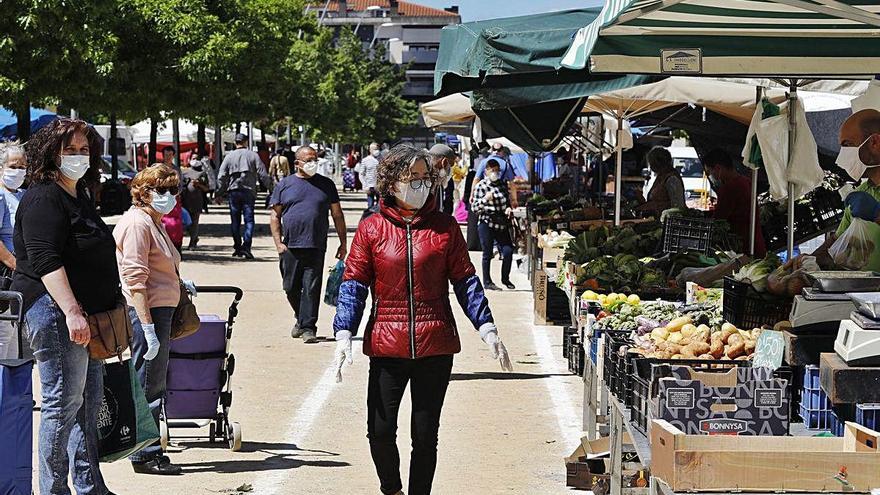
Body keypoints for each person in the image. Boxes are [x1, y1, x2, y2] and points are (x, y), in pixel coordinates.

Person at [333, 144, 513, 495]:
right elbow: (353, 282)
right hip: (387, 343)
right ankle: (392, 489)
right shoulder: (371, 229)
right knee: (380, 430)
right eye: (411, 176)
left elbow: (465, 280)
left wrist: (487, 327)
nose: (420, 183)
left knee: (425, 434)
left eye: (424, 177)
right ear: (391, 180)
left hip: (436, 343)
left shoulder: (445, 228)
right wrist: (343, 331)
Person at [13, 118, 120, 495]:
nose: (78, 157)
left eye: (83, 150)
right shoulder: (44, 196)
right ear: (51, 153)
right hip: (56, 312)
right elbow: (45, 260)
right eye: (69, 150)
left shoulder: (79, 194)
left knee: (87, 405)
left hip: (86, 315)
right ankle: (53, 490)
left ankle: (90, 487)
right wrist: (73, 311)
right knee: (62, 405)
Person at [113, 164, 185, 475]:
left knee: (153, 381)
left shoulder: (153, 222)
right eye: (162, 190)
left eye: (173, 190)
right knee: (148, 383)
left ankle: (149, 449)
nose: (169, 196)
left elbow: (157, 268)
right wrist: (147, 326)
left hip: (159, 309)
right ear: (143, 192)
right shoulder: (138, 224)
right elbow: (135, 279)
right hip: (149, 312)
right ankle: (145, 453)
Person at [270, 145, 347, 343]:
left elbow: (337, 215)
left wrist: (343, 242)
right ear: (297, 163)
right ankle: (300, 318)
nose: (313, 163)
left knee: (311, 288)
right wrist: (278, 243)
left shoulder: (326, 184)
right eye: (308, 160)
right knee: (290, 287)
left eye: (315, 159)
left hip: (316, 244)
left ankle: (308, 327)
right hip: (290, 245)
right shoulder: (284, 185)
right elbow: (275, 216)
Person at [809, 109, 880, 269]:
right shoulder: (862, 192)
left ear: (874, 142)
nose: (842, 156)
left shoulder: (865, 202)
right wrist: (807, 261)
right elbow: (837, 242)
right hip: (864, 291)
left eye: (847, 145)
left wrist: (877, 213)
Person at [702, 148, 767, 257]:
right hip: (755, 242)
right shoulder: (745, 181)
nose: (711, 176)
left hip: (744, 247)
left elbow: (719, 219)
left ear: (718, 168)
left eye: (709, 172)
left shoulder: (730, 188)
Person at [216, 133, 271, 259]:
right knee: (249, 220)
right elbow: (263, 174)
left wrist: (219, 193)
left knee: (235, 221)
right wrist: (271, 189)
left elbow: (221, 176)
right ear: (246, 142)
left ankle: (237, 246)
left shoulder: (229, 156)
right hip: (249, 191)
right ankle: (246, 247)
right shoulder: (253, 155)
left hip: (233, 191)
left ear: (236, 142)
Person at [471, 157, 516, 291]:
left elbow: (506, 201)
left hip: (501, 222)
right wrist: (485, 199)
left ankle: (505, 278)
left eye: (497, 170)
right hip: (486, 222)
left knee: (508, 250)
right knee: (487, 253)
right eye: (492, 170)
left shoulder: (502, 185)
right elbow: (474, 208)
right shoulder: (481, 186)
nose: (494, 173)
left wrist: (508, 208)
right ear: (486, 171)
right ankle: (487, 281)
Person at [0, 141, 25, 359]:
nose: (19, 171)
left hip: (21, 275)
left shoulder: (23, 195)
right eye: (13, 166)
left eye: (23, 166)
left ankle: (10, 393)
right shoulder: (0, 197)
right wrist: (15, 264)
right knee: (3, 334)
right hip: (6, 275)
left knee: (14, 337)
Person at [638, 146, 686, 216]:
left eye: (650, 162)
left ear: (657, 163)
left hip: (665, 222)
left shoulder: (672, 179)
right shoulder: (661, 176)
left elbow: (677, 207)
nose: (650, 166)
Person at [181, 153, 209, 249]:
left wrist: (199, 185)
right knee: (186, 223)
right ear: (189, 160)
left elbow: (206, 189)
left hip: (197, 202)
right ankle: (194, 237)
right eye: (193, 158)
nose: (195, 160)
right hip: (185, 201)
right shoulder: (184, 172)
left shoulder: (202, 173)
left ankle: (192, 242)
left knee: (194, 222)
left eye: (197, 158)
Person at [159, 146, 184, 251]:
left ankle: (176, 244)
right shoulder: (158, 169)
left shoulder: (176, 170)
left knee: (175, 222)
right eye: (166, 155)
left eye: (170, 155)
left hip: (174, 200)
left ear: (173, 156)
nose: (168, 157)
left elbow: (181, 186)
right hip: (161, 200)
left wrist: (175, 194)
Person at [428, 143, 457, 215]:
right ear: (444, 162)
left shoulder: (438, 183)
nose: (450, 171)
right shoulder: (425, 182)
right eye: (450, 166)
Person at [360, 143, 381, 210]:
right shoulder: (365, 160)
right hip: (370, 186)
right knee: (370, 206)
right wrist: (365, 185)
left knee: (380, 206)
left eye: (377, 149)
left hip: (379, 186)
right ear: (370, 150)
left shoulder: (382, 159)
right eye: (375, 149)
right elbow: (361, 174)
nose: (377, 151)